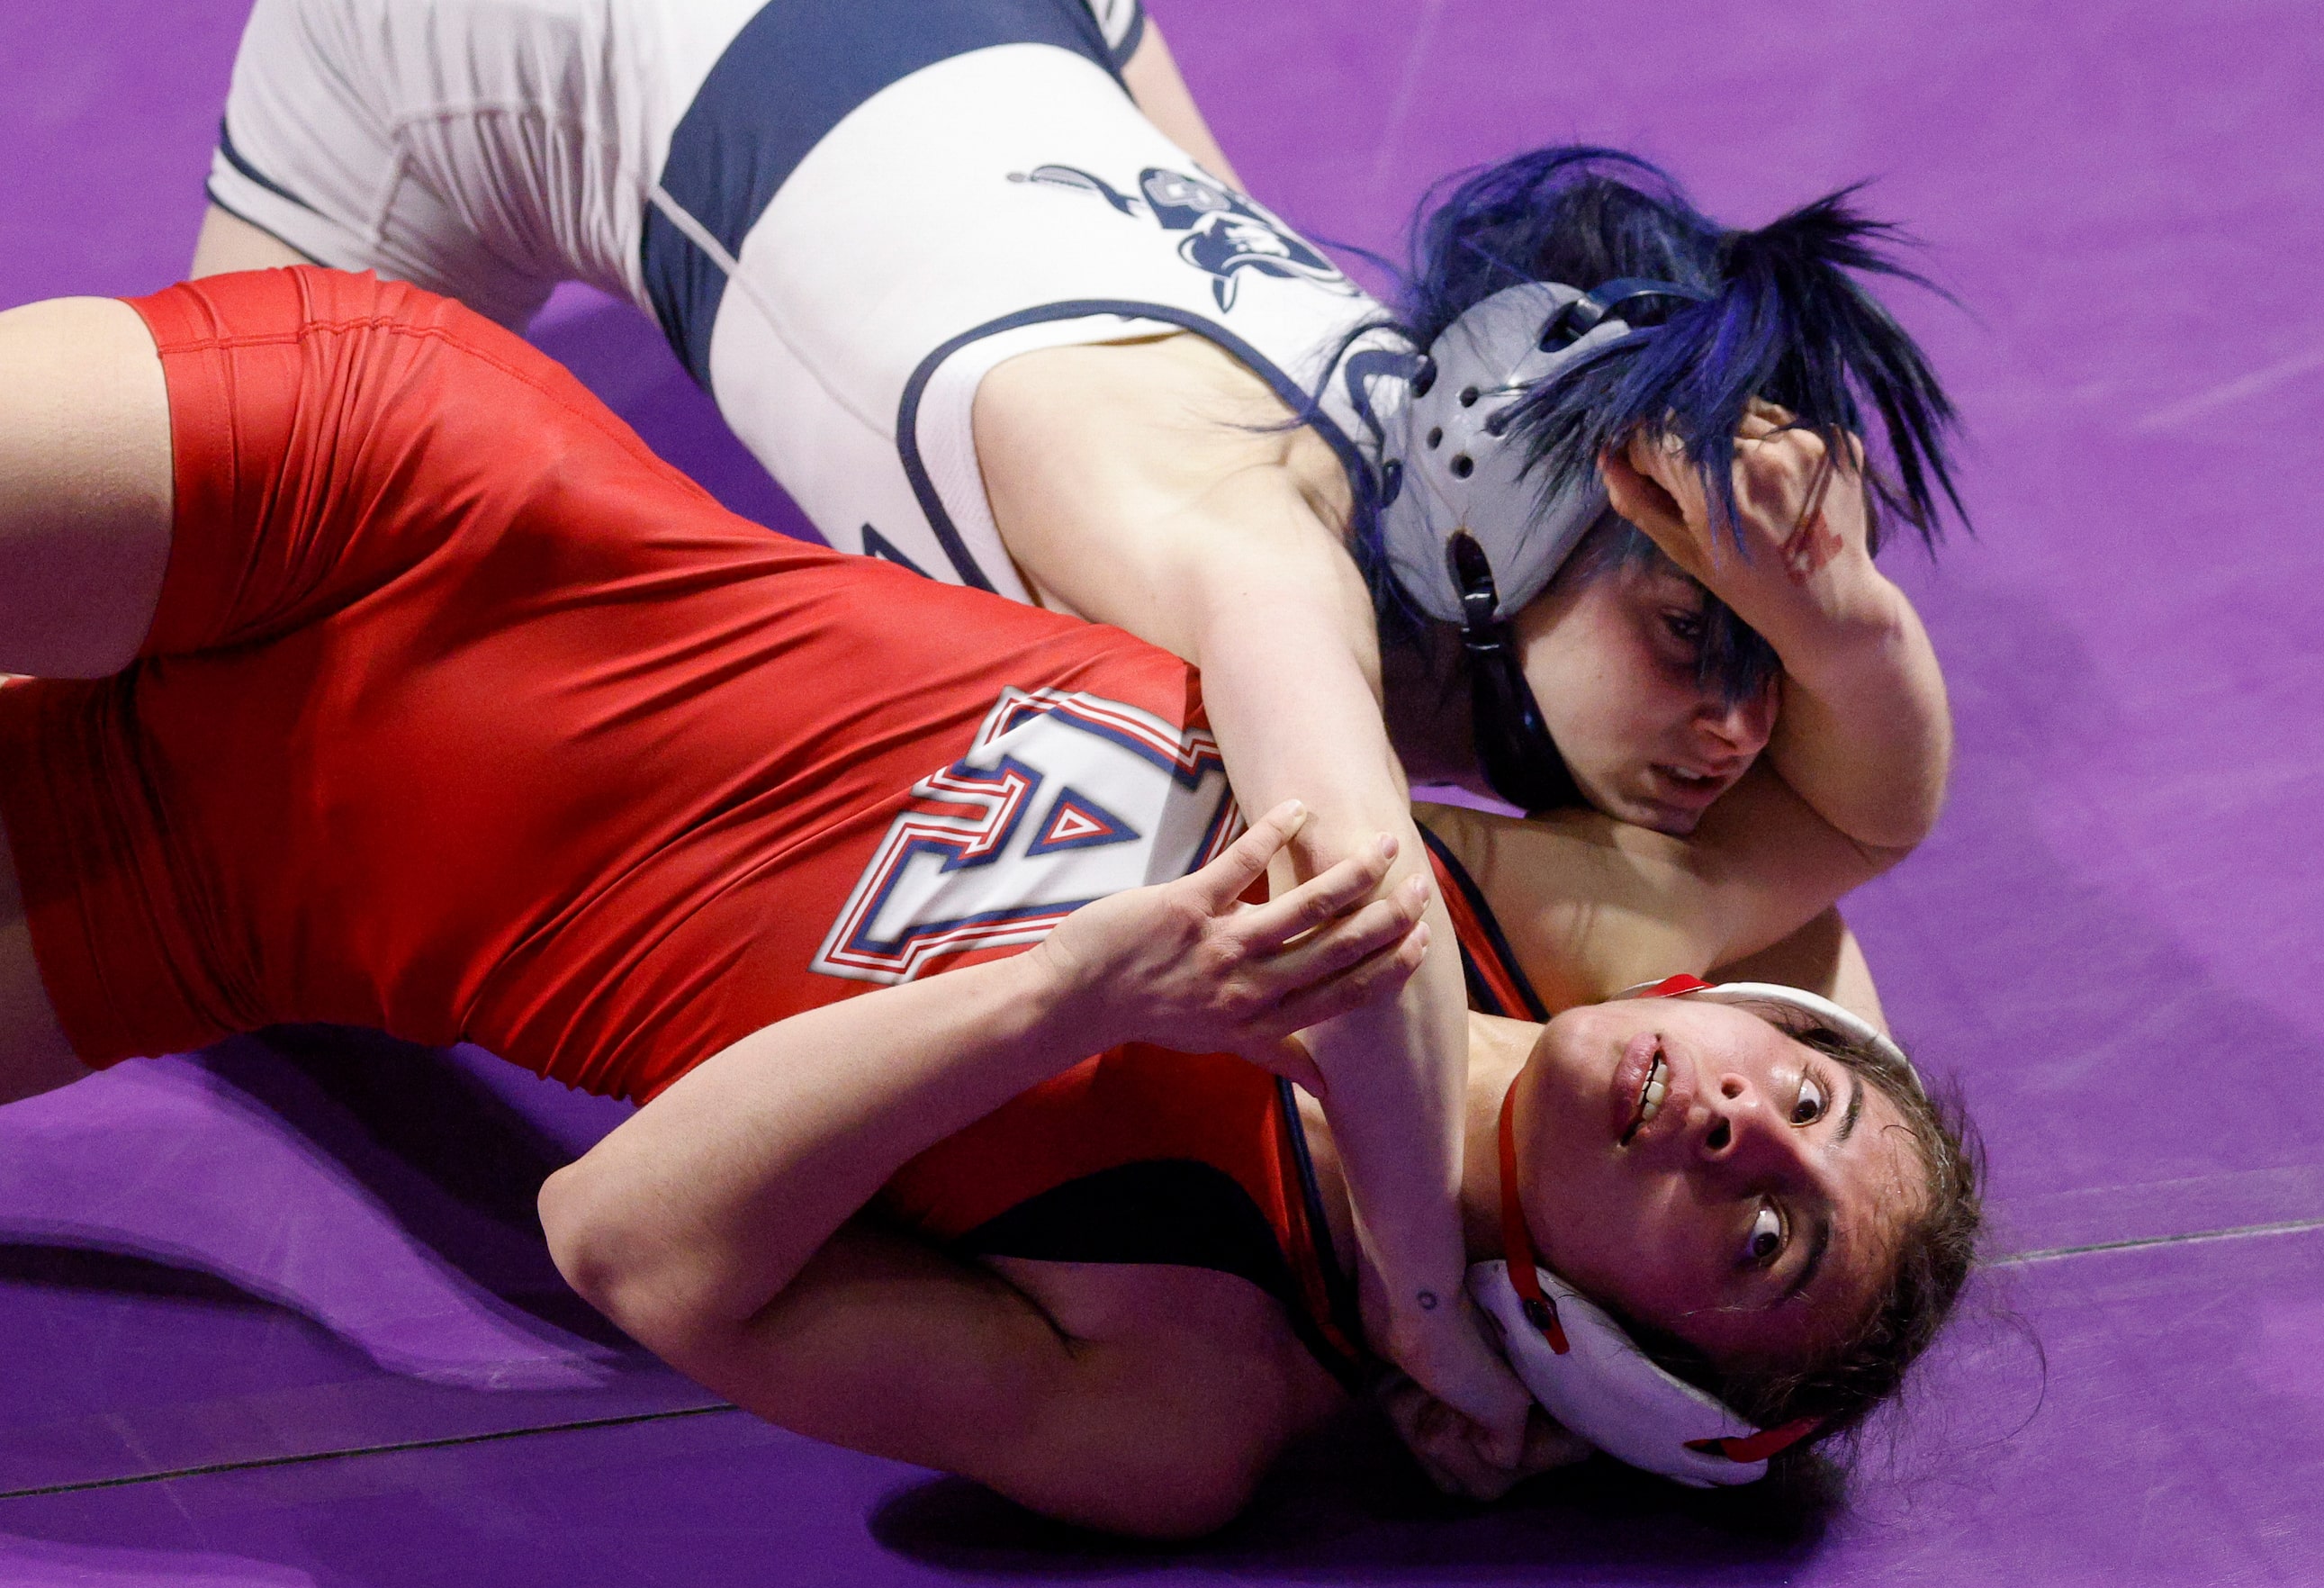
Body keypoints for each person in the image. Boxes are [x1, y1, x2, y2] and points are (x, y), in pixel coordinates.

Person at [186, 0, 1967, 1458]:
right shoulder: (1249, 549)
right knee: (174, 653)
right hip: (492, 49)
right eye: (1698, 641)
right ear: (1522, 527)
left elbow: (1822, 910)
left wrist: (1852, 627)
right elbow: (1362, 926)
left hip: (1009, 32)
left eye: (1768, 665)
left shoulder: (1503, 534)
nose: (1745, 724)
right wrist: (1448, 1325)